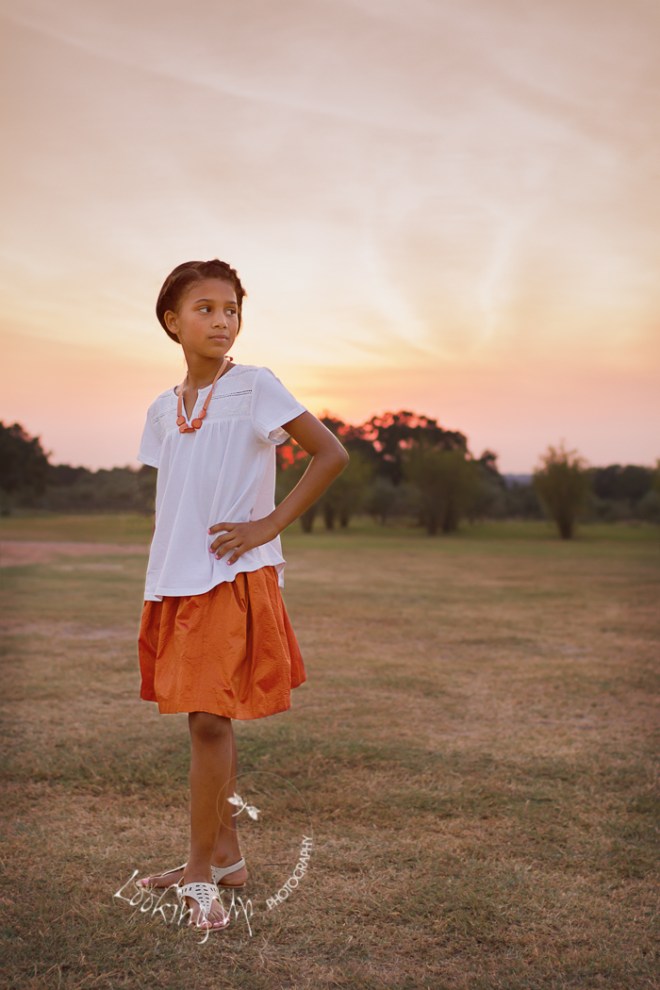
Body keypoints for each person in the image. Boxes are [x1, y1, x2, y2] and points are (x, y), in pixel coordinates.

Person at [134, 259, 349, 931]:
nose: (222, 320)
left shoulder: (255, 387)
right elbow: (173, 495)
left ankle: (202, 875)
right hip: (176, 577)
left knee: (207, 719)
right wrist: (160, 569)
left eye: (232, 309)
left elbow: (331, 453)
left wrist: (267, 525)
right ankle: (225, 856)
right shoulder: (161, 410)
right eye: (205, 308)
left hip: (233, 574)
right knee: (202, 718)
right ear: (172, 321)